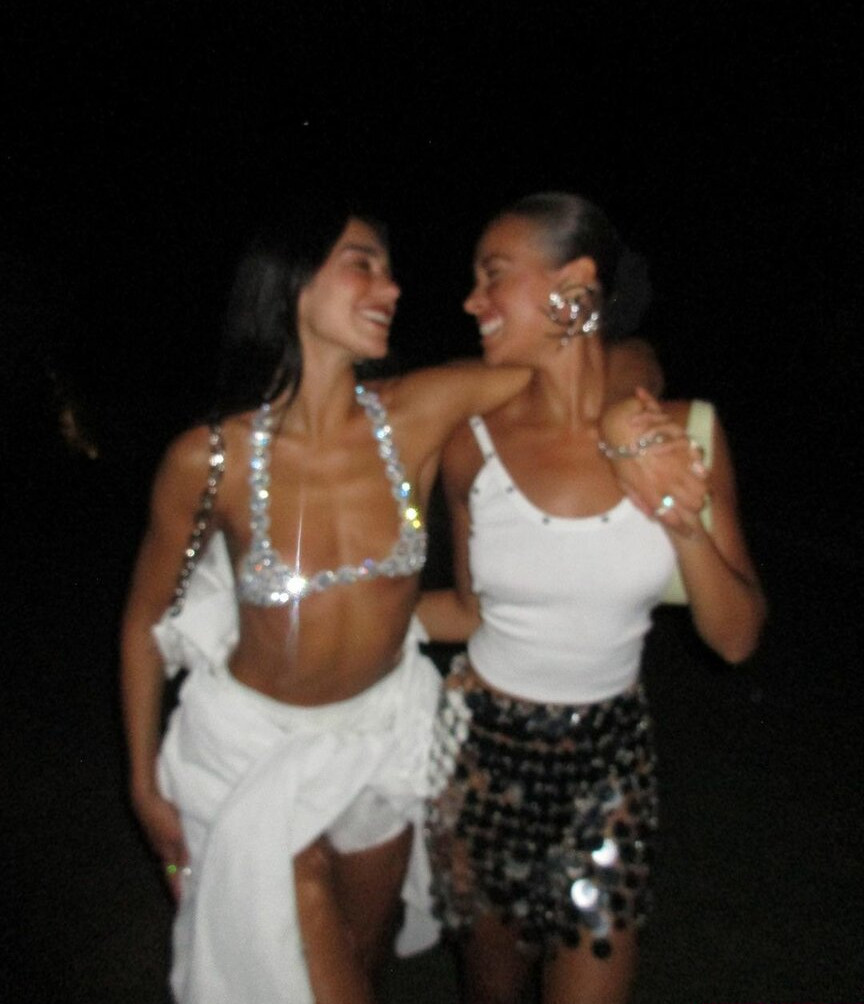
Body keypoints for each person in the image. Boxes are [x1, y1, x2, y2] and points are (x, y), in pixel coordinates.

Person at [120, 204, 538, 1004]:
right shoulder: (209, 460)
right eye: (363, 264)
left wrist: (638, 376)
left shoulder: (418, 412)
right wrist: (142, 782)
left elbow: (568, 370)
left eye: (388, 268)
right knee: (303, 934)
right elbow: (146, 622)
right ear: (294, 284)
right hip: (251, 749)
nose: (392, 287)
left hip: (383, 734)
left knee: (361, 953)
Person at [417, 192, 766, 1004]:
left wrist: (678, 516)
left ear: (573, 287)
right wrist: (330, 618)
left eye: (493, 275)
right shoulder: (470, 445)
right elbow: (468, 610)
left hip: (611, 766)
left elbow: (736, 637)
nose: (471, 300)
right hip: (480, 759)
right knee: (492, 988)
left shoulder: (684, 433)